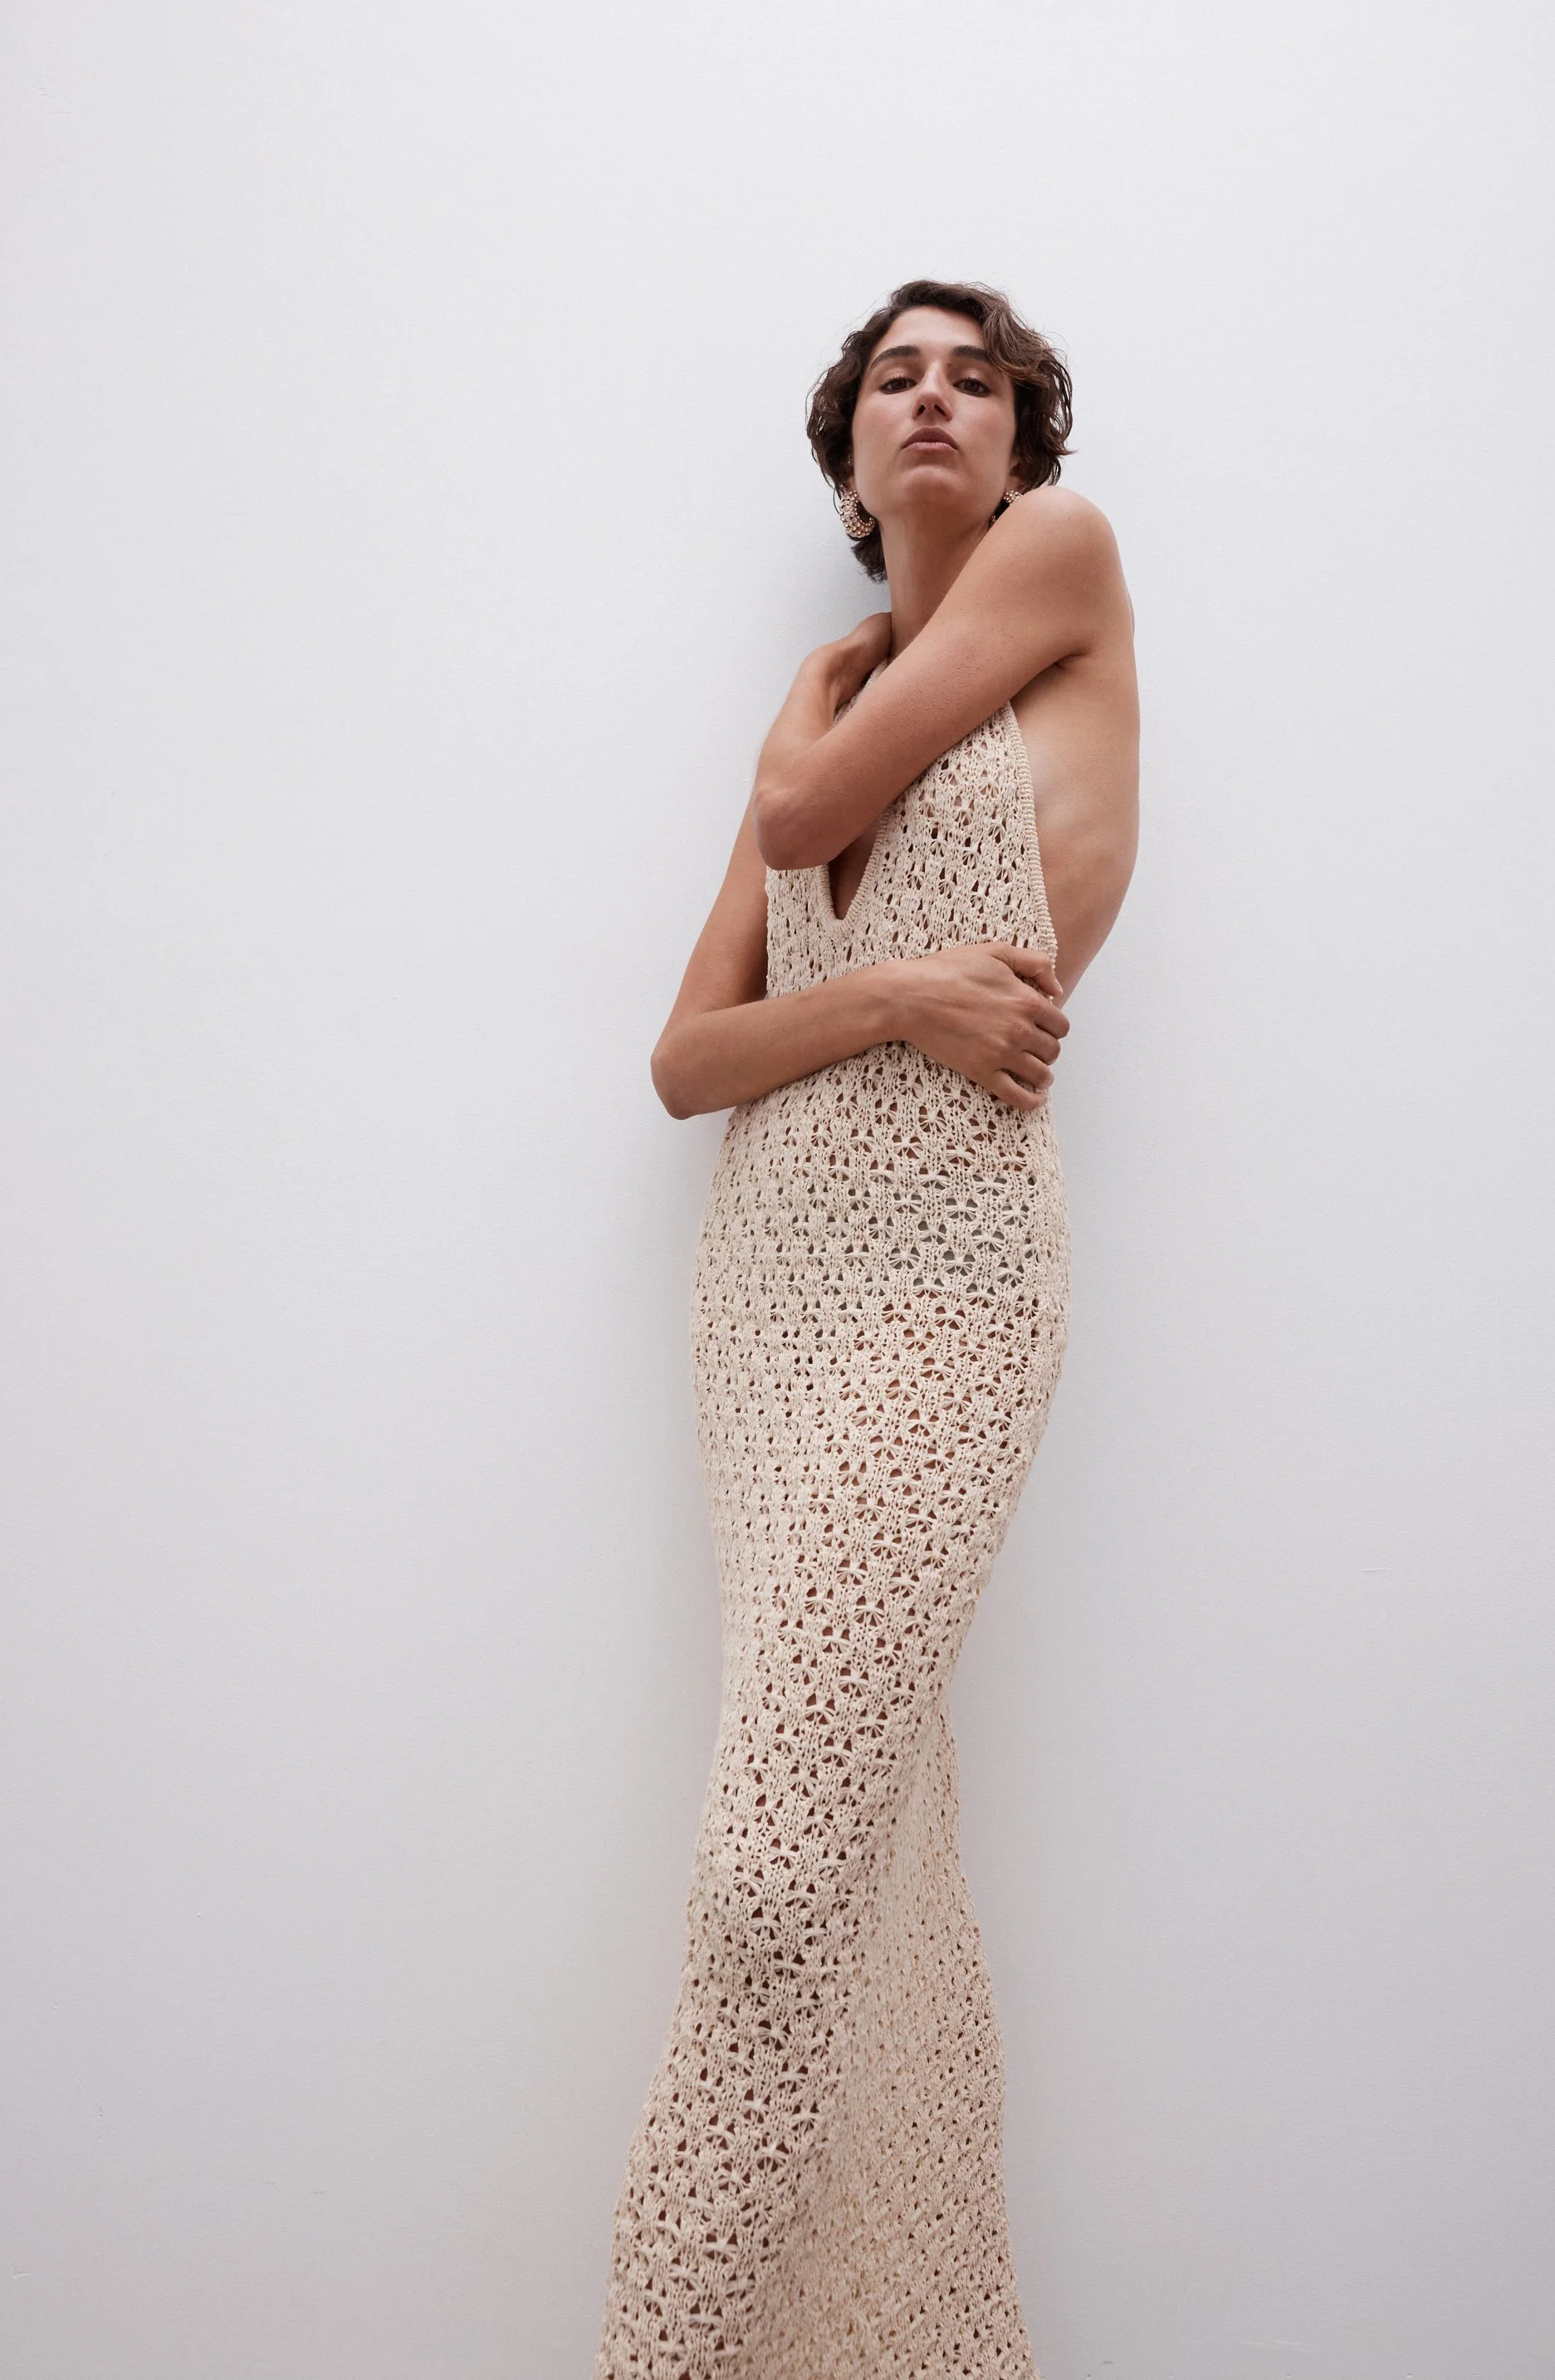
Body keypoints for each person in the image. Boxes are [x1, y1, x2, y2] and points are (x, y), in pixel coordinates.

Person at [593, 278, 1139, 2378]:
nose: (936, 401)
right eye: (895, 379)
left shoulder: (1058, 567)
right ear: (848, 460)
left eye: (975, 378)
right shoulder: (814, 708)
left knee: (768, 1869)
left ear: (1018, 446)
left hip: (949, 1278)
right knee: (855, 1848)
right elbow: (680, 1058)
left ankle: (670, 2344)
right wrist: (898, 996)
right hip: (773, 1286)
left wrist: (791, 751)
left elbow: (810, 829)